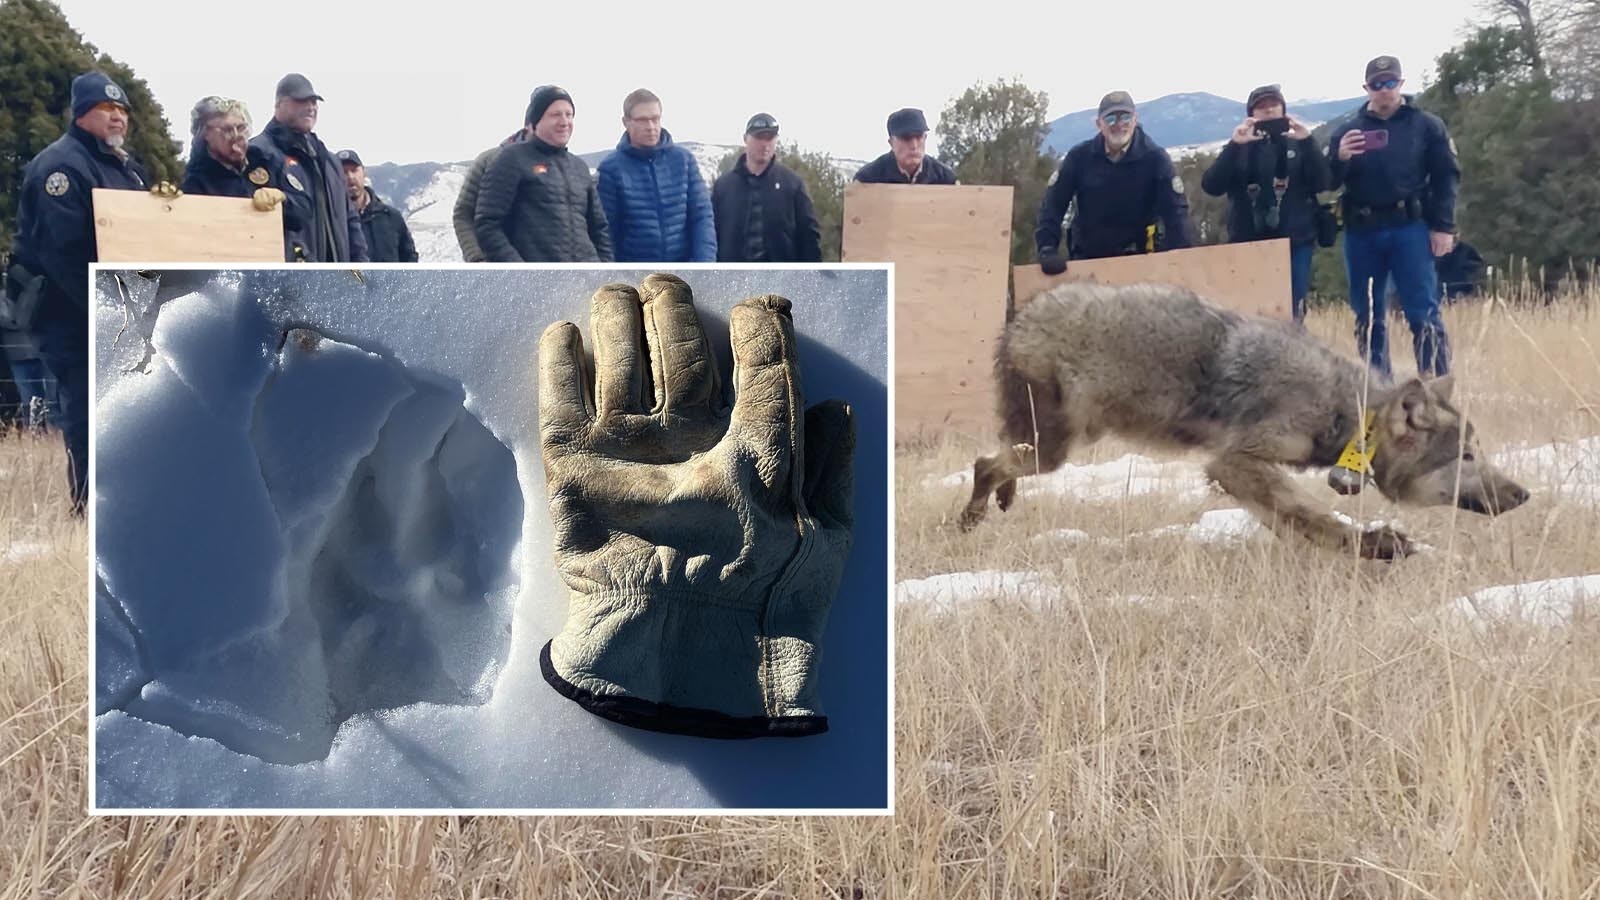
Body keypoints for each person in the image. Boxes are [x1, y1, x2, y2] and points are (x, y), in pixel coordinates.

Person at [4, 71, 149, 514]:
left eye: (122, 110)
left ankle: (126, 501)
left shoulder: (124, 168)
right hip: (71, 313)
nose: (117, 117)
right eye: (107, 109)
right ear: (82, 113)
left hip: (118, 310)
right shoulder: (60, 169)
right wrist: (110, 311)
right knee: (89, 410)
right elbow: (64, 256)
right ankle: (89, 506)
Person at [1327, 55, 1460, 379]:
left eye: (1390, 83)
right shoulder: (1348, 130)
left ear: (1400, 84)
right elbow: (1327, 182)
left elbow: (1446, 178)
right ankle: (1378, 392)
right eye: (1377, 84)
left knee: (1423, 313)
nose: (1384, 90)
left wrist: (1443, 227)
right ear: (1366, 88)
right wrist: (1340, 157)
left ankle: (1435, 389)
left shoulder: (1427, 125)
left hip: (1410, 228)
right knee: (1368, 316)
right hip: (1363, 231)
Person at [1201, 84, 1329, 321]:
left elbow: (1323, 182)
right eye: (1261, 107)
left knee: (1294, 312)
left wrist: (1308, 142)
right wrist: (1234, 147)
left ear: (1284, 109)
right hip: (1249, 242)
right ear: (1251, 114)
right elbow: (1211, 185)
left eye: (1274, 105)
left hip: (1295, 240)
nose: (1268, 111)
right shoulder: (1239, 147)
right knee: (1250, 314)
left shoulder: (1298, 144)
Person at [1036, 91, 1192, 274]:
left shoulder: (1155, 159)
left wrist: (1179, 258)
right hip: (1088, 261)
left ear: (1135, 119)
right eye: (1111, 118)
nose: (1119, 125)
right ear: (1099, 124)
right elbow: (1053, 205)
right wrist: (1047, 248)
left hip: (1141, 261)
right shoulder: (1079, 157)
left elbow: (1176, 212)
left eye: (1125, 117)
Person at [474, 85, 612, 262]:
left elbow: (599, 228)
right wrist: (519, 270)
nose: (564, 122)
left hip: (585, 273)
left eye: (569, 115)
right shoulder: (511, 159)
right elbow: (487, 224)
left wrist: (604, 268)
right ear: (536, 121)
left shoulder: (579, 167)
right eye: (555, 115)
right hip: (539, 274)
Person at [250, 73, 368, 263]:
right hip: (292, 279)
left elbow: (350, 220)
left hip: (338, 278)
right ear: (279, 104)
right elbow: (257, 224)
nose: (310, 107)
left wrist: (360, 266)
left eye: (314, 102)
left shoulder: (328, 160)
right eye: (301, 101)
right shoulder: (260, 152)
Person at [596, 89, 716, 262]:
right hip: (635, 274)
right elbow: (607, 233)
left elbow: (702, 216)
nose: (651, 127)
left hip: (685, 269)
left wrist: (704, 265)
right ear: (626, 122)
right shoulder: (611, 169)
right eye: (642, 120)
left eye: (655, 119)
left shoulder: (684, 161)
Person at [711, 113, 822, 262]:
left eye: (770, 138)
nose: (765, 144)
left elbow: (809, 237)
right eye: (759, 137)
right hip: (731, 276)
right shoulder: (723, 187)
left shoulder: (793, 185)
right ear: (745, 139)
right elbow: (710, 236)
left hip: (781, 278)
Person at [179, 96, 299, 229]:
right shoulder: (196, 181)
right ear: (205, 135)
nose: (237, 136)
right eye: (227, 130)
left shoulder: (265, 160)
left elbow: (304, 213)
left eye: (241, 128)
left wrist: (283, 199)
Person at [453, 126, 524, 262]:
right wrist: (476, 257)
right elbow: (463, 213)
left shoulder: (562, 166)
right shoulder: (489, 160)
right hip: (496, 263)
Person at [338, 149, 417, 262]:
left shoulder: (391, 217)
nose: (350, 177)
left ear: (364, 173)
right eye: (343, 172)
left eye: (354, 170)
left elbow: (409, 258)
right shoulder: (331, 223)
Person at [852, 108, 958, 185]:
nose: (914, 145)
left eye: (919, 137)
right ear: (891, 143)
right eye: (906, 138)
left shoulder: (946, 179)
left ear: (925, 138)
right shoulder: (867, 179)